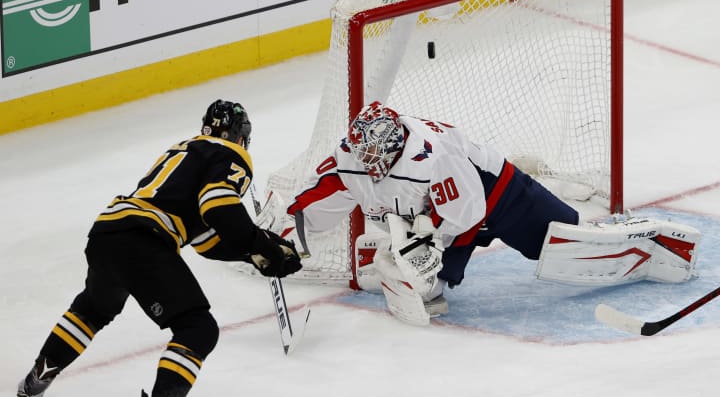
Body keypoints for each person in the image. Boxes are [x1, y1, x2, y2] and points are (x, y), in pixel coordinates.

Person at [281, 101, 699, 325]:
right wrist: (283, 236)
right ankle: (429, 280)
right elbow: (317, 198)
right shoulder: (354, 156)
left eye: (377, 158)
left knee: (564, 242)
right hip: (439, 208)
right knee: (426, 285)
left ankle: (647, 243)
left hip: (496, 192)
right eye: (363, 156)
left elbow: (468, 212)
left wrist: (428, 243)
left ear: (395, 146)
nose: (368, 166)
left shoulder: (432, 156)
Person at [16, 100, 302, 397]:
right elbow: (218, 206)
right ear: (240, 135)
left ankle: (32, 385)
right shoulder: (231, 153)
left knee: (91, 310)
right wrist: (263, 245)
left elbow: (207, 242)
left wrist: (254, 253)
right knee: (198, 329)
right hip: (144, 240)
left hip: (108, 233)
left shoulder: (183, 149)